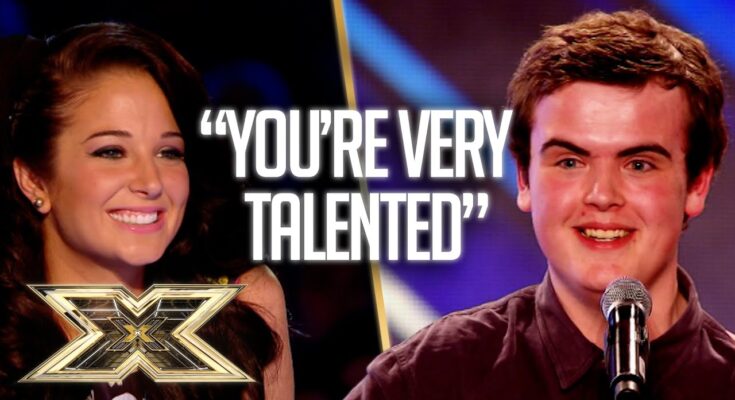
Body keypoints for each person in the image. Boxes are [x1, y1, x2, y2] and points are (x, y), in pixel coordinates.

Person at [347, 10, 735, 399]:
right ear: (524, 178)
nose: (602, 195)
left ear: (697, 183)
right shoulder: (426, 379)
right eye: (570, 162)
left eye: (638, 164)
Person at [0, 23, 293, 399]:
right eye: (111, 152)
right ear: (33, 179)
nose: (151, 182)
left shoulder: (242, 304)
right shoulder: (8, 338)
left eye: (168, 152)